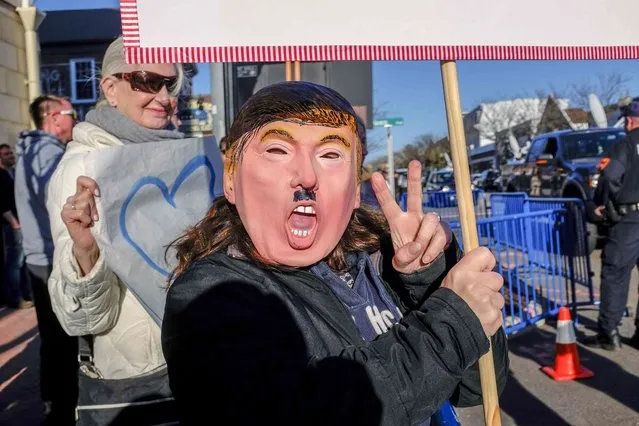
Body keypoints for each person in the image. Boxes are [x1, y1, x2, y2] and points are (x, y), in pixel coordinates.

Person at [162, 81, 509, 425]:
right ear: (231, 178)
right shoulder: (210, 294)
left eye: (330, 155)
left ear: (355, 190)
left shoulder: (382, 262)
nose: (307, 176)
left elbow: (474, 389)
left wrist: (431, 278)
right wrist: (451, 323)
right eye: (278, 150)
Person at [47, 36, 187, 383]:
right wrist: (85, 252)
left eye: (170, 84)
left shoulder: (178, 157)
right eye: (146, 81)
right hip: (145, 376)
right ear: (110, 88)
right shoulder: (83, 170)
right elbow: (81, 320)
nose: (165, 97)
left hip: (198, 359)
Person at [14, 95, 79, 424]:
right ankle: (62, 409)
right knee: (64, 338)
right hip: (52, 258)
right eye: (70, 113)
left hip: (38, 256)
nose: (74, 118)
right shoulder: (49, 155)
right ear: (53, 117)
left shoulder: (28, 151)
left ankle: (54, 402)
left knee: (53, 339)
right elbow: (66, 206)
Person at [584, 96, 639, 350]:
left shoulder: (626, 145)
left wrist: (604, 203)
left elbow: (610, 177)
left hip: (628, 220)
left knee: (615, 274)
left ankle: (609, 333)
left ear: (629, 120)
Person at [0, 143, 32, 309]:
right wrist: (15, 224)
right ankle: (16, 298)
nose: (10, 156)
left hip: (22, 223)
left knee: (24, 260)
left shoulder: (14, 173)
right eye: (6, 154)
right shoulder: (1, 176)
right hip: (12, 226)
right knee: (15, 262)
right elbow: (2, 205)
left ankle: (26, 294)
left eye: (10, 153)